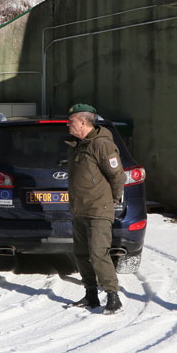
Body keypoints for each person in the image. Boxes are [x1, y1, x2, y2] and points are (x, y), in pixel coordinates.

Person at [65, 103, 126, 314]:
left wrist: (115, 198)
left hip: (99, 209)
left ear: (83, 122)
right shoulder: (77, 145)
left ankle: (113, 296)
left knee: (98, 253)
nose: (68, 124)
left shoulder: (102, 145)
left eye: (71, 121)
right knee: (81, 254)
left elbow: (117, 175)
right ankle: (91, 295)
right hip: (80, 209)